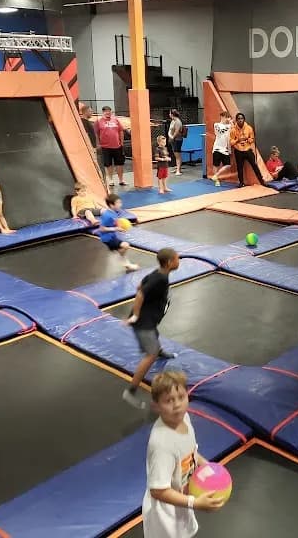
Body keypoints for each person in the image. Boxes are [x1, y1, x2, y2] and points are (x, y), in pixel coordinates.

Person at [142, 370, 225, 537]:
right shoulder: (162, 445)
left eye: (181, 397)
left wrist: (208, 466)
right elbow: (158, 491)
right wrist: (194, 503)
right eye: (169, 401)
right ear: (156, 406)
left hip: (182, 502)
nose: (177, 405)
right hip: (166, 515)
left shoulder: (184, 418)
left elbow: (191, 452)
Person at [123, 248, 180, 410]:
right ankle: (130, 391)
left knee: (154, 337)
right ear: (169, 263)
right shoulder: (160, 279)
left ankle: (160, 351)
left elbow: (140, 284)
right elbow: (140, 293)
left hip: (149, 319)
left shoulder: (158, 273)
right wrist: (135, 315)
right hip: (143, 322)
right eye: (177, 259)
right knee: (150, 355)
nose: (179, 261)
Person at [99, 194, 139, 271]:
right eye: (118, 203)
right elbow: (102, 229)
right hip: (107, 238)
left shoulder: (114, 212)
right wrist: (116, 228)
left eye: (120, 202)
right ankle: (124, 262)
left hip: (112, 236)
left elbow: (116, 221)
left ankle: (124, 261)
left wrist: (121, 226)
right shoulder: (107, 215)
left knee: (122, 248)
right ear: (111, 205)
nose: (120, 204)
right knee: (125, 245)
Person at [229, 112, 266, 187]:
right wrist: (238, 140)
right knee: (239, 167)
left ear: (244, 119)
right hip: (238, 151)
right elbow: (231, 142)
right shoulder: (233, 130)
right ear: (236, 120)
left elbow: (252, 139)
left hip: (248, 150)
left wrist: (247, 139)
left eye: (241, 118)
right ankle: (241, 182)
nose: (240, 120)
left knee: (254, 165)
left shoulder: (249, 128)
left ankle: (262, 181)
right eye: (238, 119)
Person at [95, 106, 127, 187]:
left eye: (109, 111)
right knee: (108, 164)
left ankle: (121, 180)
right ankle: (111, 180)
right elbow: (96, 133)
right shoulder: (98, 121)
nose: (108, 113)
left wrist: (122, 143)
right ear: (103, 112)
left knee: (119, 163)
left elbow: (121, 131)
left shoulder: (116, 120)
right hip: (105, 147)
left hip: (117, 146)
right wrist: (98, 144)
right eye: (106, 111)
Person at [211, 111, 232, 186]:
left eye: (228, 117)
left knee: (228, 165)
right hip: (217, 147)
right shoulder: (216, 124)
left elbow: (229, 138)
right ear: (222, 116)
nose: (227, 119)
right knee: (216, 165)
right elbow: (219, 132)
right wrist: (229, 125)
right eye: (226, 117)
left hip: (225, 148)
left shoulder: (229, 126)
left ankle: (216, 175)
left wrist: (229, 150)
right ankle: (216, 180)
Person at [169, 109, 184, 176]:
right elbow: (171, 130)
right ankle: (177, 168)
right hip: (173, 140)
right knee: (175, 154)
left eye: (170, 113)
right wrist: (171, 137)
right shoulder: (173, 121)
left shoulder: (178, 122)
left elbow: (177, 132)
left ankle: (178, 170)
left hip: (177, 140)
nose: (169, 114)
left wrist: (172, 137)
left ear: (172, 114)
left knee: (178, 155)